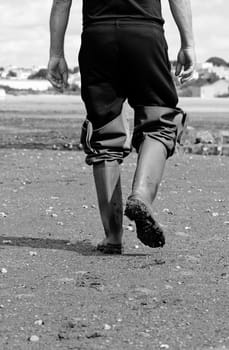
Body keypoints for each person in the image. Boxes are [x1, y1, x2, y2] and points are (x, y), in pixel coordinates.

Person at [47, 0, 196, 254]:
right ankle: (141, 196)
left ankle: (113, 236)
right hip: (145, 34)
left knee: (104, 134)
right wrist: (188, 43)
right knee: (160, 123)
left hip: (98, 37)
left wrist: (56, 53)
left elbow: (62, 2)